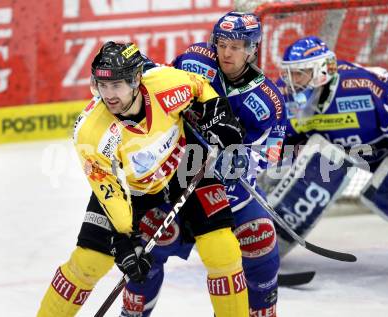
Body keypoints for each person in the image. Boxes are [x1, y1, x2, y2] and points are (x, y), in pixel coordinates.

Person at [37, 41, 250, 317]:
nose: (109, 95)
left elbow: (199, 87)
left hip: (185, 166)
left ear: (136, 79)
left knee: (223, 251)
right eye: (103, 86)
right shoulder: (91, 132)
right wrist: (124, 238)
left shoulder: (165, 84)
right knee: (87, 263)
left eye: (117, 85)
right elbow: (110, 193)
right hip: (130, 190)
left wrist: (216, 113)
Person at [117, 12, 287, 317]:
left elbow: (271, 154)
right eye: (222, 43)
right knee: (147, 246)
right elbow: (164, 89)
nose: (226, 52)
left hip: (226, 188)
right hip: (177, 176)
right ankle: (132, 313)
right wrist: (146, 68)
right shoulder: (194, 59)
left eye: (236, 46)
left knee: (261, 240)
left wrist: (236, 158)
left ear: (252, 49)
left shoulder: (268, 101)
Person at [268, 35, 388, 255]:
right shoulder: (283, 95)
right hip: (334, 156)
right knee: (291, 163)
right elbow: (267, 138)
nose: (291, 80)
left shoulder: (363, 85)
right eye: (288, 72)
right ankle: (266, 243)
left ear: (321, 71)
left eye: (299, 72)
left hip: (387, 150)